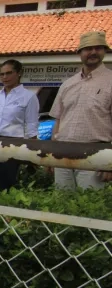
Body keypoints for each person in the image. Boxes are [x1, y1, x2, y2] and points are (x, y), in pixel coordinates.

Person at [50, 31, 112, 189]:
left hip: (96, 154)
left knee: (90, 207)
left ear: (105, 51)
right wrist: (51, 154)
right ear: (79, 53)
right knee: (62, 203)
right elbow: (58, 119)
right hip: (62, 154)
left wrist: (110, 162)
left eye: (98, 48)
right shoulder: (67, 84)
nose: (93, 52)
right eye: (87, 48)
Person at [0, 60, 40, 193]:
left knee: (5, 185)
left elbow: (31, 126)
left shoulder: (29, 97)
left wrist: (31, 152)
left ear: (19, 73)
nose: (5, 77)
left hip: (12, 143)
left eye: (9, 73)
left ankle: (3, 212)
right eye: (2, 74)